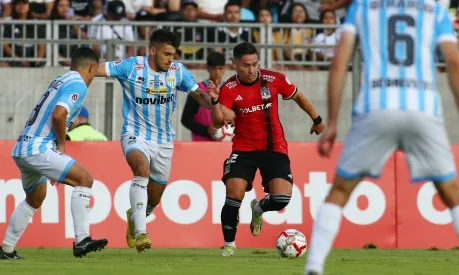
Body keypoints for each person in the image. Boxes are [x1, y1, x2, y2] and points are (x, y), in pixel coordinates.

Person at [304, 1, 459, 274]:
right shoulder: (433, 9)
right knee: (453, 195)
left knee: (341, 190)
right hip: (423, 107)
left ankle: (314, 266)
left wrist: (332, 122)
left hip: (375, 106)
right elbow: (454, 62)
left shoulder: (364, 7)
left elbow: (339, 64)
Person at [94, 28, 231, 253]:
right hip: (134, 134)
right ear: (153, 50)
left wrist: (213, 101)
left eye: (173, 55)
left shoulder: (178, 72)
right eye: (167, 54)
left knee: (154, 199)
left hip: (164, 141)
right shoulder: (131, 67)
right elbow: (95, 69)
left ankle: (136, 217)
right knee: (141, 169)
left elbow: (200, 97)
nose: (171, 59)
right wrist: (77, 74)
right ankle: (141, 233)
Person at [208, 42, 325, 257]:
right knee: (233, 194)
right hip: (243, 149)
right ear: (234, 64)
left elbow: (298, 96)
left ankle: (258, 208)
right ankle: (229, 246)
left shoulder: (274, 79)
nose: (251, 70)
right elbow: (216, 123)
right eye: (245, 66)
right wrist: (215, 102)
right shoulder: (228, 89)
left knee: (281, 198)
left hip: (274, 147)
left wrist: (317, 119)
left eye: (254, 64)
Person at [0, 47, 108, 260]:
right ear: (92, 67)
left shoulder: (60, 79)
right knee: (84, 179)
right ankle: (82, 239)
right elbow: (58, 115)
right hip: (38, 147)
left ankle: (6, 249)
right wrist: (61, 146)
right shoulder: (78, 84)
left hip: (22, 147)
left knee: (34, 199)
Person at [181, 52, 226, 141]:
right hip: (202, 145)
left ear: (225, 68)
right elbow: (186, 120)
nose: (217, 72)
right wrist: (206, 130)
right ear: (208, 68)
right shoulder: (197, 90)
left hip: (226, 145)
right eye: (214, 69)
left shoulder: (230, 89)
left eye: (220, 68)